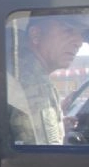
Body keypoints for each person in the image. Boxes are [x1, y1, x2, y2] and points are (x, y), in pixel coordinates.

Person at [8, 9, 87, 145]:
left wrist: (60, 125)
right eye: (68, 30)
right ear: (36, 35)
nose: (79, 42)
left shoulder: (34, 76)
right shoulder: (30, 82)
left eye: (80, 34)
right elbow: (43, 153)